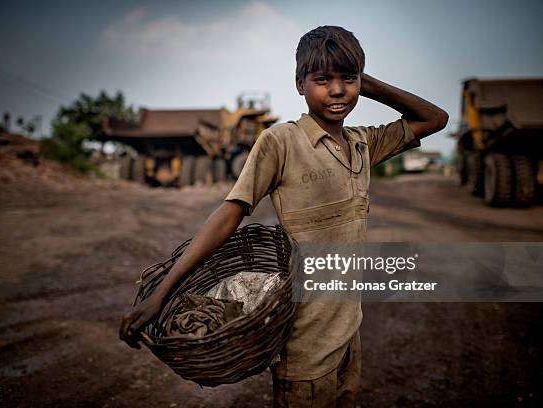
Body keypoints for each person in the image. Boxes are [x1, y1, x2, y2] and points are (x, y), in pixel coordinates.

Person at [120, 25, 448, 407]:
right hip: (305, 344)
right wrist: (162, 294)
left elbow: (435, 118)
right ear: (299, 85)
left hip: (348, 332)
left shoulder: (362, 143)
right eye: (322, 79)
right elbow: (230, 213)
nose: (338, 90)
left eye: (348, 79)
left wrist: (367, 80)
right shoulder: (281, 142)